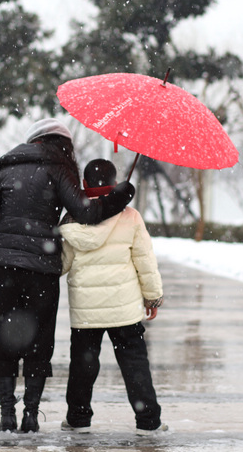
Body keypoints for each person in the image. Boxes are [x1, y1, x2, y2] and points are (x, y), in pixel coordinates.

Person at [0, 119, 135, 433]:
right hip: (41, 272)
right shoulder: (59, 168)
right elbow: (86, 211)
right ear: (62, 144)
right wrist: (119, 196)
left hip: (3, 268)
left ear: (34, 140)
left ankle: (7, 414)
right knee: (38, 344)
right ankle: (31, 416)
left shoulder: (9, 167)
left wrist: (1, 232)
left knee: (3, 341)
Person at [59, 158, 167, 436]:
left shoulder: (73, 218)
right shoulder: (130, 217)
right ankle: (148, 422)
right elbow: (145, 261)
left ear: (84, 184)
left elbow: (62, 264)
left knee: (83, 367)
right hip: (125, 309)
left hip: (86, 311)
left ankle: (78, 419)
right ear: (115, 182)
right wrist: (152, 297)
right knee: (135, 365)